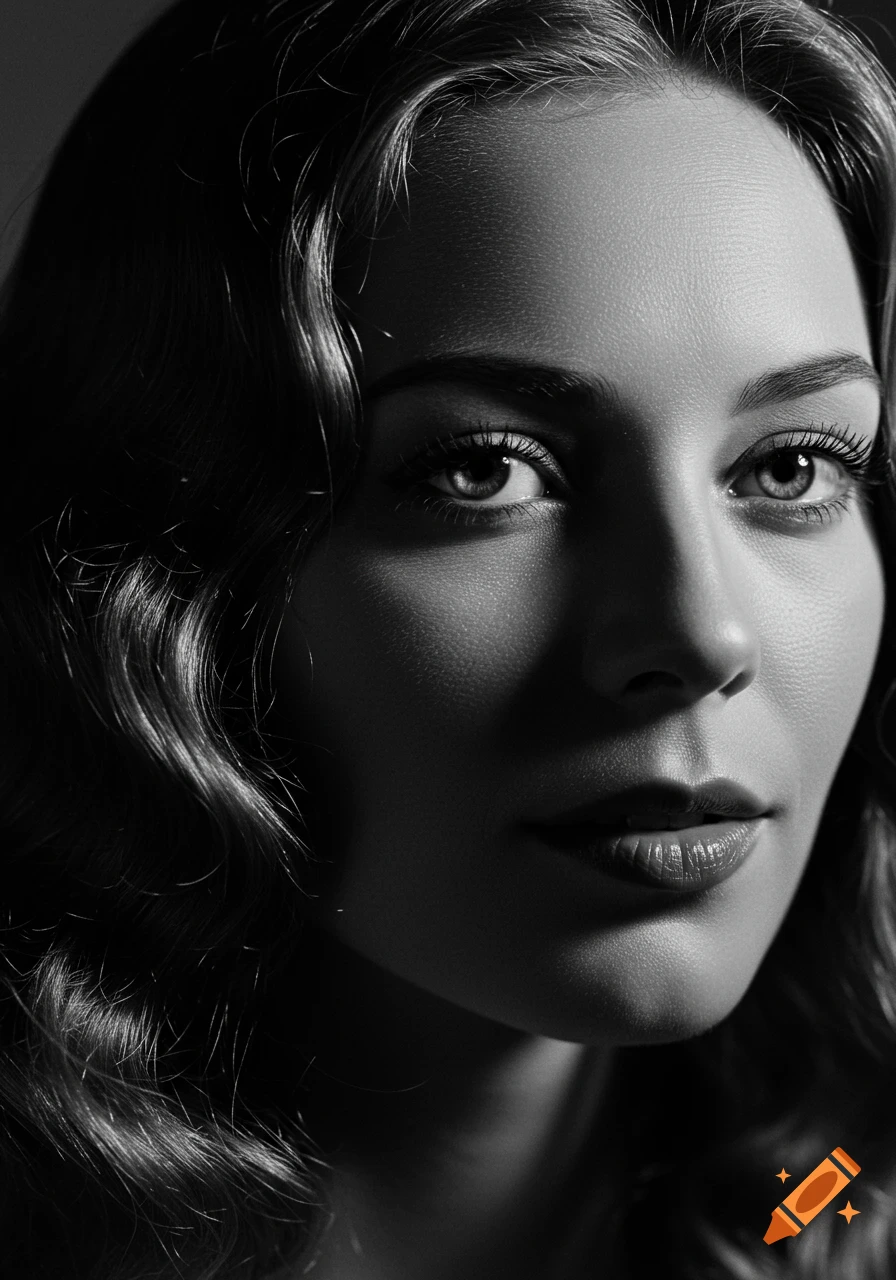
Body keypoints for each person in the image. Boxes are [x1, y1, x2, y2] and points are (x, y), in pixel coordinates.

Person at [2, 0, 896, 1275]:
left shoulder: (831, 1179)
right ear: (159, 557)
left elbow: (839, 1182)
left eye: (791, 463)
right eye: (482, 469)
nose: (699, 632)